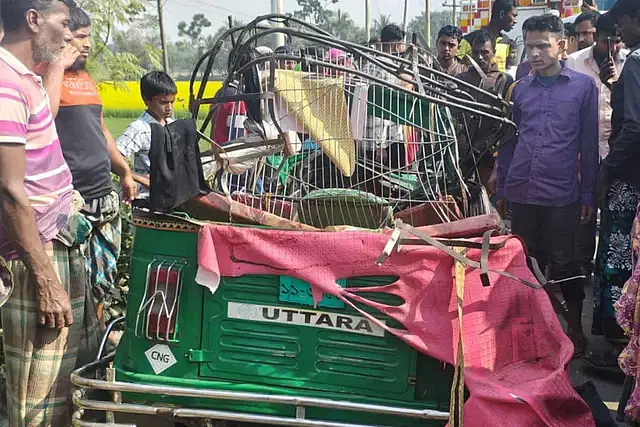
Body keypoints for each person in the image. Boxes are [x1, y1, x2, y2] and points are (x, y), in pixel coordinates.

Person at [0, 0, 103, 425]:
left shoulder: (24, 79)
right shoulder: (4, 83)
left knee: (68, 377)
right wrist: (45, 281)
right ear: (33, 20)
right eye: (63, 25)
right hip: (34, 253)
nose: (68, 36)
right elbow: (9, 191)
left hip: (57, 238)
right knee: (36, 396)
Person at [496, 14, 599, 358]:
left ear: (563, 45)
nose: (535, 53)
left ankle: (574, 330)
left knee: (565, 262)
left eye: (542, 45)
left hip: (563, 193)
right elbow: (509, 141)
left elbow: (589, 145)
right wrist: (505, 188)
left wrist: (588, 194)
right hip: (523, 189)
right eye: (529, 46)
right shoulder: (520, 88)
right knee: (526, 261)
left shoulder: (584, 88)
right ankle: (533, 332)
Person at [37, 7, 137, 310]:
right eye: (81, 37)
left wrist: (124, 171)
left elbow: (102, 130)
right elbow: (43, 117)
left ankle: (98, 337)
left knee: (101, 279)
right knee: (72, 282)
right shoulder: (44, 75)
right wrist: (56, 67)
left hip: (102, 193)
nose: (87, 44)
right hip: (72, 196)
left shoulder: (86, 80)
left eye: (88, 37)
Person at [594, 0, 640, 369]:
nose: (619, 31)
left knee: (618, 262)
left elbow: (635, 127)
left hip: (628, 179)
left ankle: (618, 347)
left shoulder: (638, 61)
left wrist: (607, 168)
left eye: (622, 22)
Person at [456, 30, 514, 190]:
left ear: (493, 53)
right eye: (476, 53)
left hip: (490, 153)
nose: (480, 57)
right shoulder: (461, 80)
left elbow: (506, 120)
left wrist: (484, 145)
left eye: (485, 53)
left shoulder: (503, 81)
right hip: (462, 154)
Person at [116, 71, 177, 199]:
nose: (169, 108)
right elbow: (113, 158)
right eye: (163, 102)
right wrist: (141, 179)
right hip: (147, 197)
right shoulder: (139, 128)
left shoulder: (172, 125)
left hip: (171, 194)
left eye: (172, 102)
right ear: (146, 100)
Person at [457, 0, 518, 72]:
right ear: (502, 14)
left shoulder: (506, 42)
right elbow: (456, 66)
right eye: (513, 15)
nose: (515, 21)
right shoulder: (470, 40)